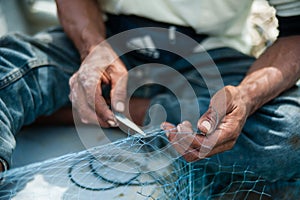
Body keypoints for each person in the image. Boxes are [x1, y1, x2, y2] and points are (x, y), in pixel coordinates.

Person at [0, 0, 299, 190]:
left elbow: (294, 32)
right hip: (105, 32)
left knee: (289, 129)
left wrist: (246, 97)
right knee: (9, 66)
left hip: (212, 51)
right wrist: (93, 48)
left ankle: (120, 111)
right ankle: (114, 106)